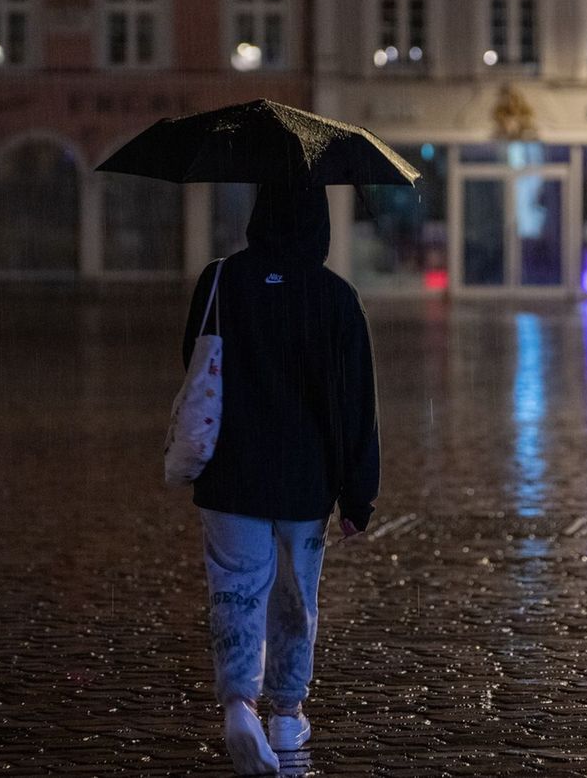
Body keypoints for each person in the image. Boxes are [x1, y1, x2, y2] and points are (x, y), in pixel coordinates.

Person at [180, 182, 379, 775]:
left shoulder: (220, 281)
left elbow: (194, 362)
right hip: (304, 480)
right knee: (294, 599)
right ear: (321, 226)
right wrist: (357, 495)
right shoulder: (336, 298)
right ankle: (287, 715)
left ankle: (239, 702)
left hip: (229, 472)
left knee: (236, 588)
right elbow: (355, 405)